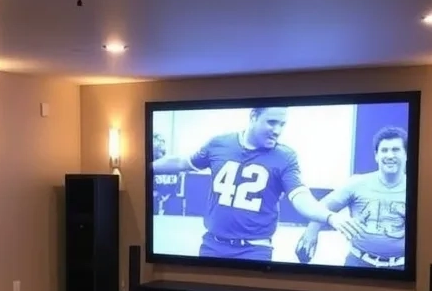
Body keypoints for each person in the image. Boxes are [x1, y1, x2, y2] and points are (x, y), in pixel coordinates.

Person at [151, 106, 357, 261]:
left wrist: (329, 217)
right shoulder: (219, 144)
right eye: (272, 122)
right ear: (253, 117)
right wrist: (146, 167)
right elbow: (182, 162)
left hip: (254, 251)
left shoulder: (285, 157)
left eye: (282, 124)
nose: (277, 130)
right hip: (212, 246)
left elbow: (300, 197)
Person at [295, 126, 408, 269]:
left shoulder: (417, 188)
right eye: (384, 150)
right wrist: (311, 233)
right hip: (358, 263)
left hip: (401, 268)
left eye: (396, 150)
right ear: (376, 156)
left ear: (406, 154)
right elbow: (323, 207)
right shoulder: (357, 183)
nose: (390, 156)